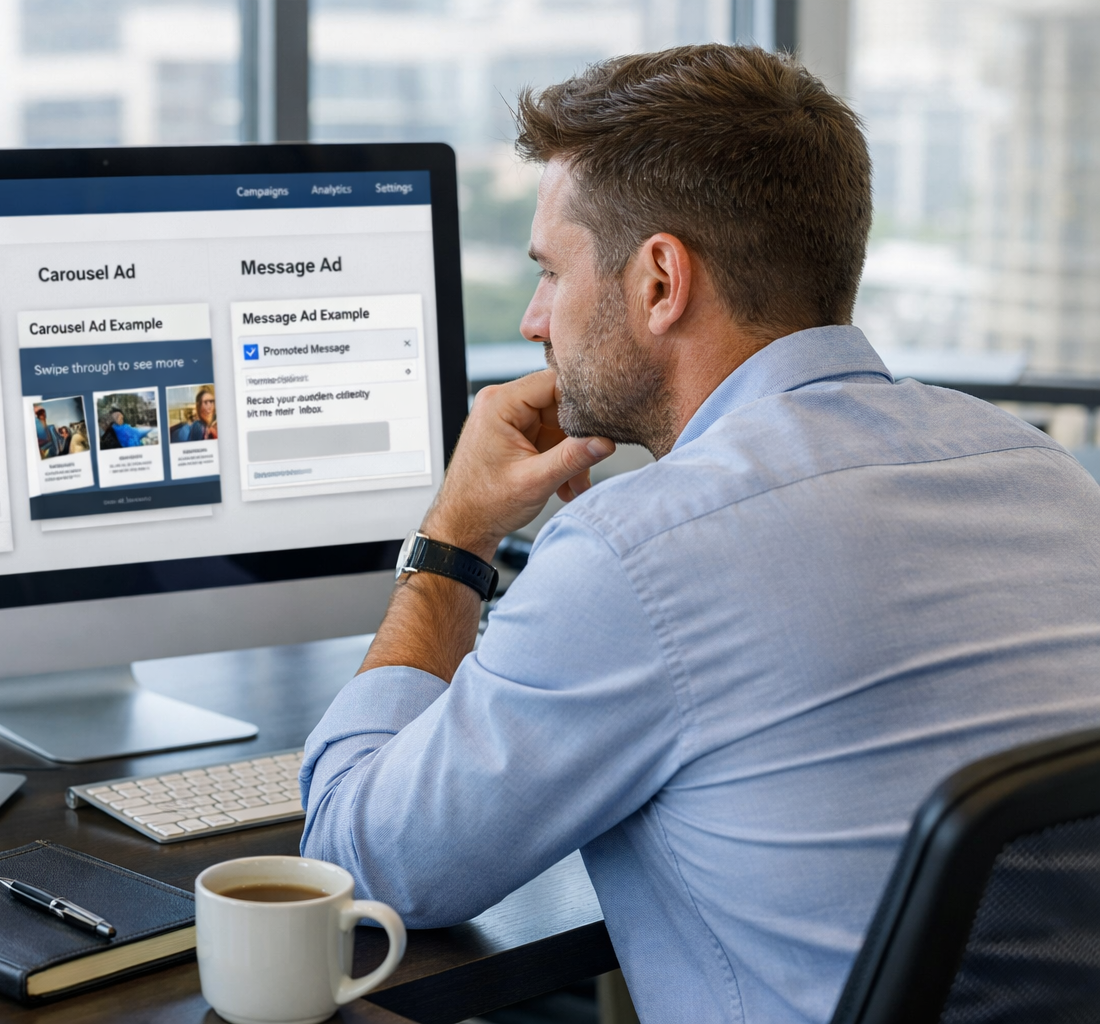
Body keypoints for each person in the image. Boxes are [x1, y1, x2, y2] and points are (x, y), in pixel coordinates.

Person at [297, 45, 1100, 1024]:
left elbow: (353, 864)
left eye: (551, 271)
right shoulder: (1046, 477)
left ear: (661, 280)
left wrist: (455, 533)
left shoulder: (638, 555)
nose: (535, 318)